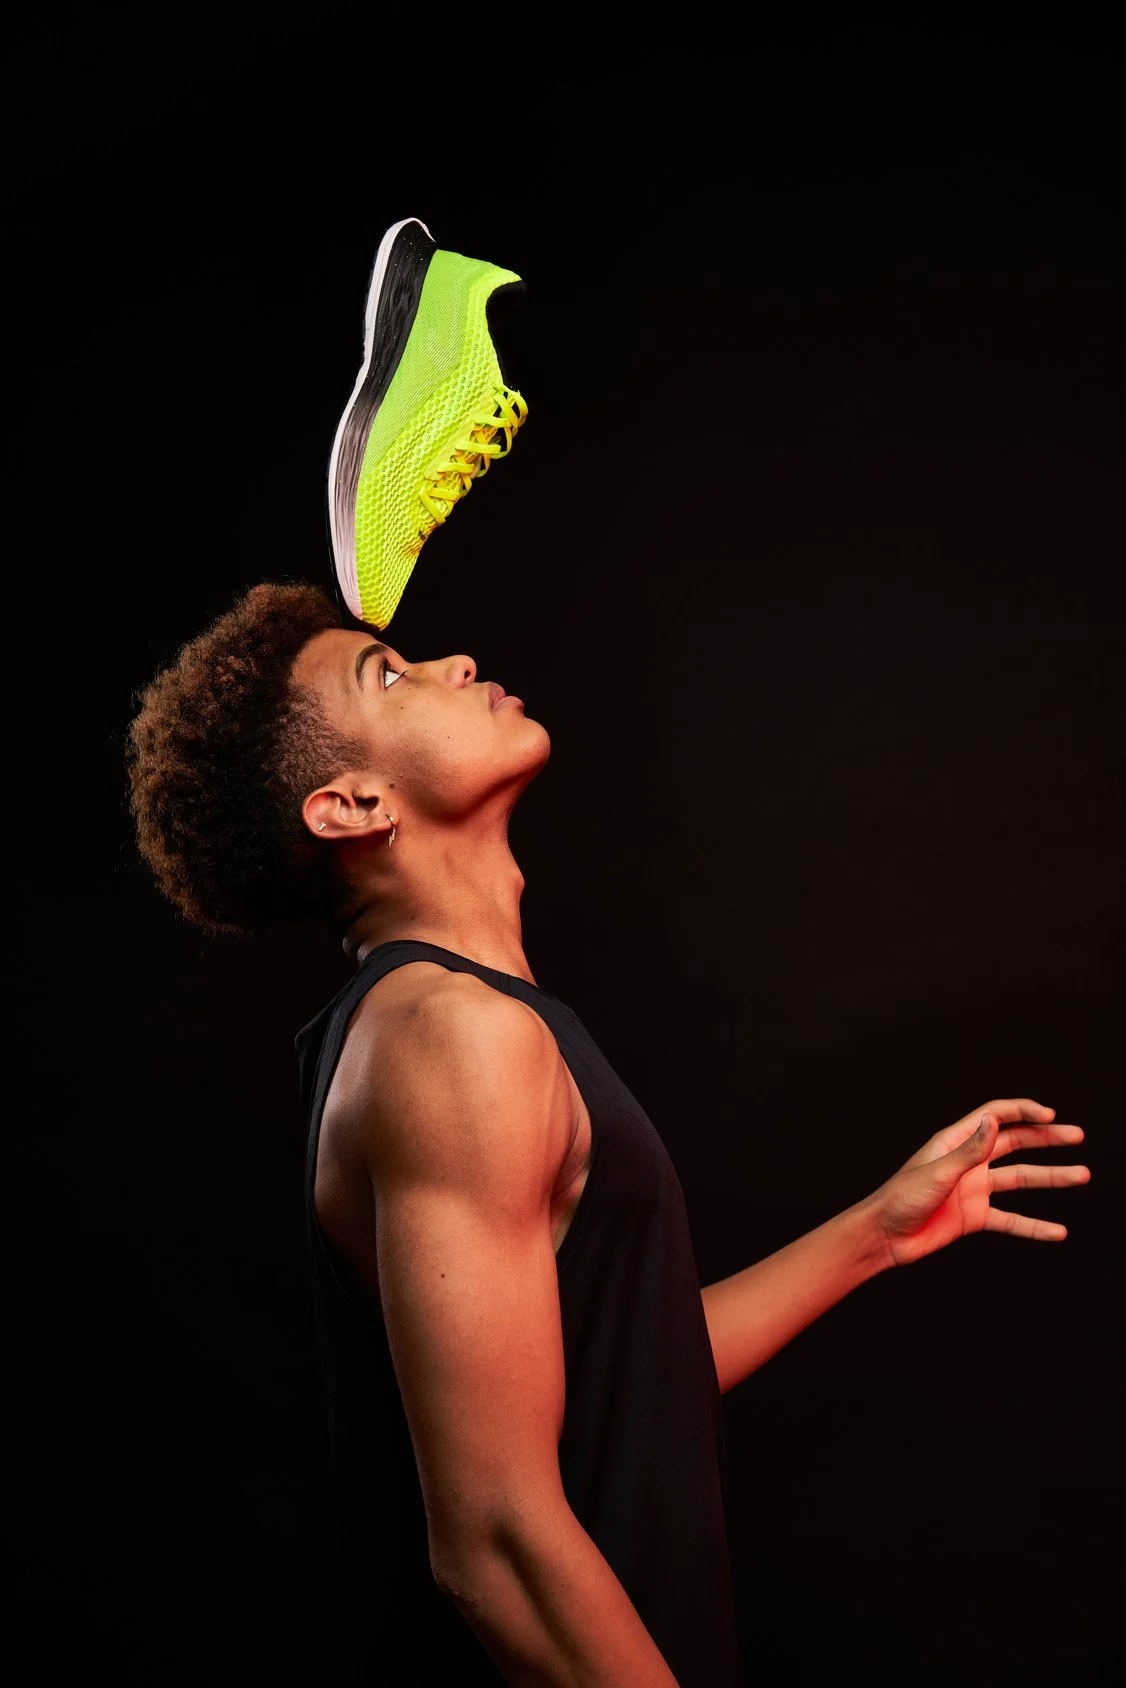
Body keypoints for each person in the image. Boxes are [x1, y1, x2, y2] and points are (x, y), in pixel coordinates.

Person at [125, 579, 1090, 1686]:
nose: (451, 662)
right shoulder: (449, 1038)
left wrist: (879, 1231)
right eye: (385, 675)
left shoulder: (463, 1023)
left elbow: (616, 1379)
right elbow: (494, 1543)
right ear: (350, 805)